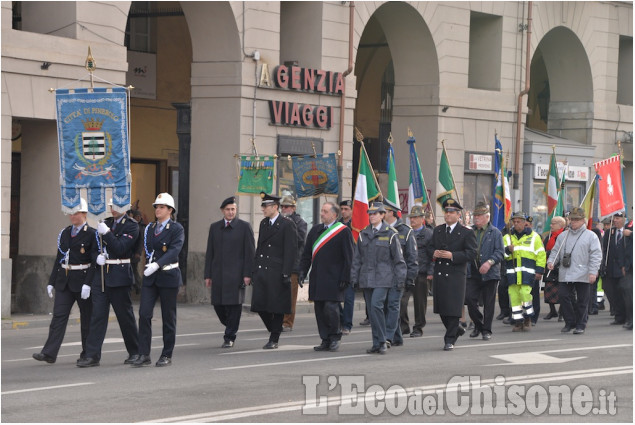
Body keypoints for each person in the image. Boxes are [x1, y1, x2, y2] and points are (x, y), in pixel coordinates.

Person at [77, 200, 140, 367]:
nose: (112, 210)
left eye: (116, 206)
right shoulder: (105, 223)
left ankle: (135, 351)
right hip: (102, 276)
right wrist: (97, 256)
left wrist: (107, 234)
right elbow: (94, 248)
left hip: (119, 275)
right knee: (97, 316)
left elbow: (120, 248)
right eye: (111, 206)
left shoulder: (132, 226)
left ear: (124, 208)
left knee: (124, 317)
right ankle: (92, 355)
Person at [33, 198, 96, 364]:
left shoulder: (92, 234)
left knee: (87, 319)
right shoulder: (65, 232)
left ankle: (88, 354)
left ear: (84, 214)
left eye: (76, 213)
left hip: (82, 279)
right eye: (71, 213)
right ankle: (49, 353)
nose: (72, 216)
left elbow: (94, 262)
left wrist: (88, 284)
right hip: (64, 280)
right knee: (58, 317)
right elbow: (59, 258)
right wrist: (51, 281)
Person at [132, 193, 184, 367]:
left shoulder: (176, 229)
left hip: (168, 276)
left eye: (162, 207)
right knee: (144, 314)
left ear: (170, 210)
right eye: (156, 207)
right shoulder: (150, 228)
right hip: (151, 277)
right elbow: (148, 249)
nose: (158, 210)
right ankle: (143, 353)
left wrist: (158, 264)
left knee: (168, 317)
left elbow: (174, 251)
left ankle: (166, 354)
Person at [351, 202, 406, 354]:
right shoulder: (364, 233)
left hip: (384, 278)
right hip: (367, 278)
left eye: (375, 213)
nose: (372, 216)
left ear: (382, 215)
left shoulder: (390, 233)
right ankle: (376, 342)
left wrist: (401, 280)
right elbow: (357, 259)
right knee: (372, 310)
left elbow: (398, 260)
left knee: (376, 306)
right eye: (370, 214)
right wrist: (354, 278)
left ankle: (382, 340)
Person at [299, 202, 354, 352]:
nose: (321, 213)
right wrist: (302, 272)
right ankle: (325, 339)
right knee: (320, 309)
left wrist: (346, 277)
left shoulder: (343, 231)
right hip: (318, 277)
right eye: (321, 211)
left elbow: (349, 257)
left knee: (331, 309)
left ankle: (335, 337)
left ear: (334, 215)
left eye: (325, 211)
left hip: (335, 279)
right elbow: (306, 255)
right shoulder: (315, 230)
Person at [204, 196, 255, 348]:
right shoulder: (214, 227)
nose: (231, 212)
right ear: (222, 211)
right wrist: (208, 275)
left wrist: (248, 274)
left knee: (234, 306)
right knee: (218, 305)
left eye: (233, 209)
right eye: (228, 209)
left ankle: (230, 336)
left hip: (236, 275)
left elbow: (250, 252)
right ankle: (231, 324)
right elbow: (210, 253)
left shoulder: (244, 227)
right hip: (218, 274)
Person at [426, 198, 477, 351]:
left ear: (458, 215)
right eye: (446, 212)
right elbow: (429, 248)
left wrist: (453, 256)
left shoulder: (466, 232)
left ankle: (449, 339)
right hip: (440, 274)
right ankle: (456, 329)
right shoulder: (438, 230)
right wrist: (433, 253)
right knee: (442, 309)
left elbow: (472, 253)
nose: (447, 215)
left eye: (451, 212)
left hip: (455, 275)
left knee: (453, 309)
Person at [251, 192, 297, 349]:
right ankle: (274, 328)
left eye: (266, 206)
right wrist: (254, 269)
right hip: (263, 269)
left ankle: (274, 338)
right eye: (263, 206)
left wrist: (286, 272)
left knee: (276, 307)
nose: (263, 209)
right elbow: (260, 248)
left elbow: (291, 250)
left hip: (277, 271)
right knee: (260, 305)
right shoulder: (264, 223)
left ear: (275, 207)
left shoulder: (287, 224)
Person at [547, 207, 602, 334]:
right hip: (565, 272)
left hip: (583, 272)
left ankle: (581, 324)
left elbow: (596, 255)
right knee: (564, 296)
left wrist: (593, 272)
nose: (573, 222)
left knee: (582, 300)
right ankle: (570, 322)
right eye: (572, 219)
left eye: (576, 220)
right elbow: (556, 251)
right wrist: (551, 261)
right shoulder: (563, 235)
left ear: (583, 220)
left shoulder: (591, 236)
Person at [465, 202, 504, 341]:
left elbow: (500, 252)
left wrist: (489, 262)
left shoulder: (495, 233)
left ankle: (486, 330)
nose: (476, 218)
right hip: (472, 271)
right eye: (475, 216)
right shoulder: (470, 231)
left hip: (490, 273)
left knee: (489, 303)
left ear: (487, 217)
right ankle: (478, 324)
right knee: (470, 300)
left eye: (479, 216)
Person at [503, 211, 546, 332]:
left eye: (518, 222)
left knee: (525, 295)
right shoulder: (507, 237)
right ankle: (518, 322)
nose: (516, 224)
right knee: (515, 298)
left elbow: (541, 255)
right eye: (514, 222)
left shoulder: (534, 236)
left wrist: (539, 271)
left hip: (528, 273)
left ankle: (528, 318)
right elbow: (501, 254)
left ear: (524, 223)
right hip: (513, 274)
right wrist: (507, 250)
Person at [383, 201, 418, 347]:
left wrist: (409, 278)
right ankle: (397, 336)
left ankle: (388, 336)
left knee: (392, 306)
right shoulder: (380, 230)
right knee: (386, 307)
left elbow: (412, 257)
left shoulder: (406, 231)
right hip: (383, 277)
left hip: (399, 277)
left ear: (391, 212)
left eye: (383, 210)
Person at [401, 206, 433, 338]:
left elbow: (433, 256)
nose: (412, 220)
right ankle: (403, 326)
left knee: (420, 303)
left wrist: (431, 272)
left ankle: (418, 327)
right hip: (407, 273)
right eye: (411, 218)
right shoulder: (406, 233)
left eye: (415, 217)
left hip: (422, 273)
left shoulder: (429, 234)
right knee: (401, 301)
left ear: (422, 219)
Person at [280, 195, 307, 332]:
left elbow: (300, 241)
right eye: (283, 206)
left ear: (294, 208)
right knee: (278, 294)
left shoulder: (300, 223)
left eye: (287, 206)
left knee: (290, 295)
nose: (284, 209)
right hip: (279, 264)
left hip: (293, 265)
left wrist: (289, 225)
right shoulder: (279, 221)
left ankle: (288, 322)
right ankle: (278, 319)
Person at [600, 213, 628, 325]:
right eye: (614, 219)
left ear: (623, 219)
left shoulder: (628, 231)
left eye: (617, 218)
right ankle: (619, 317)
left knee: (625, 294)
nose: (615, 221)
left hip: (625, 269)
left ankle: (628, 317)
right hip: (611, 269)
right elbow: (605, 250)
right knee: (614, 294)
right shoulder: (609, 233)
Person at [542, 216, 566, 321]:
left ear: (561, 225)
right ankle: (552, 311)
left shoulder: (564, 236)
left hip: (560, 266)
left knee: (562, 291)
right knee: (548, 289)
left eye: (554, 223)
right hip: (549, 265)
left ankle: (562, 312)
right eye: (551, 223)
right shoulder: (549, 236)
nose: (551, 225)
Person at [338, 200, 356, 335]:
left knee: (349, 297)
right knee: (335, 297)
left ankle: (347, 324)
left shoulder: (356, 225)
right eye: (342, 209)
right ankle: (340, 319)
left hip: (352, 265)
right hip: (338, 265)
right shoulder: (337, 225)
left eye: (346, 209)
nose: (343, 211)